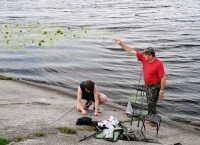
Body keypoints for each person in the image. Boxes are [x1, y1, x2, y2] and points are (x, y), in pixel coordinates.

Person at [115, 39, 166, 129]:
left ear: (151, 56)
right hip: (148, 85)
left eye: (146, 54)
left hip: (155, 86)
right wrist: (121, 44)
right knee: (149, 102)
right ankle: (150, 118)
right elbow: (131, 51)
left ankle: (153, 124)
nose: (144, 55)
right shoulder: (144, 58)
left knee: (152, 103)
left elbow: (163, 77)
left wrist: (161, 91)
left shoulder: (158, 64)